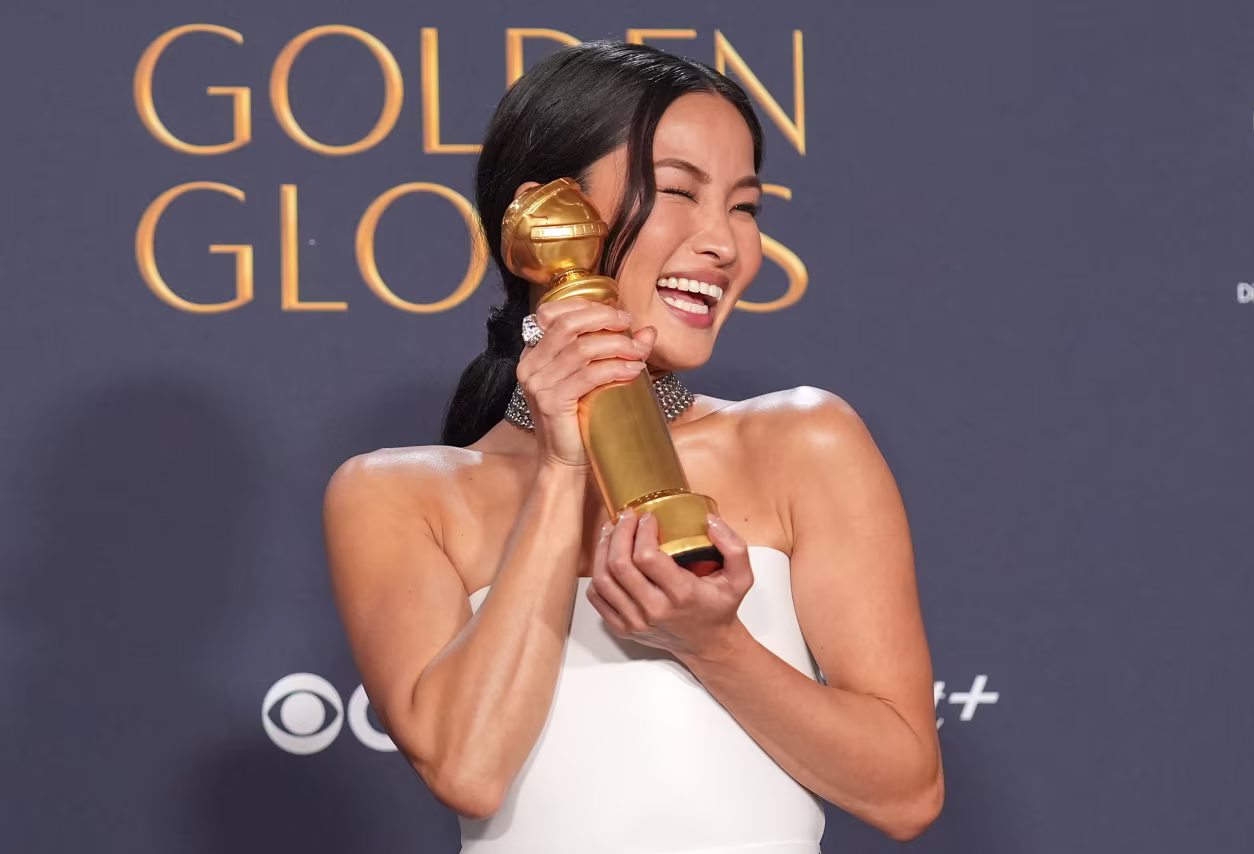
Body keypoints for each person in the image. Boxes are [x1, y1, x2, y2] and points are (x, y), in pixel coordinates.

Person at [324, 41, 943, 853]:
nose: (725, 243)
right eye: (679, 191)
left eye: (745, 206)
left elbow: (906, 793)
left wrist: (714, 645)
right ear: (545, 218)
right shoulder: (398, 497)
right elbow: (469, 769)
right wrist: (561, 466)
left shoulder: (805, 442)